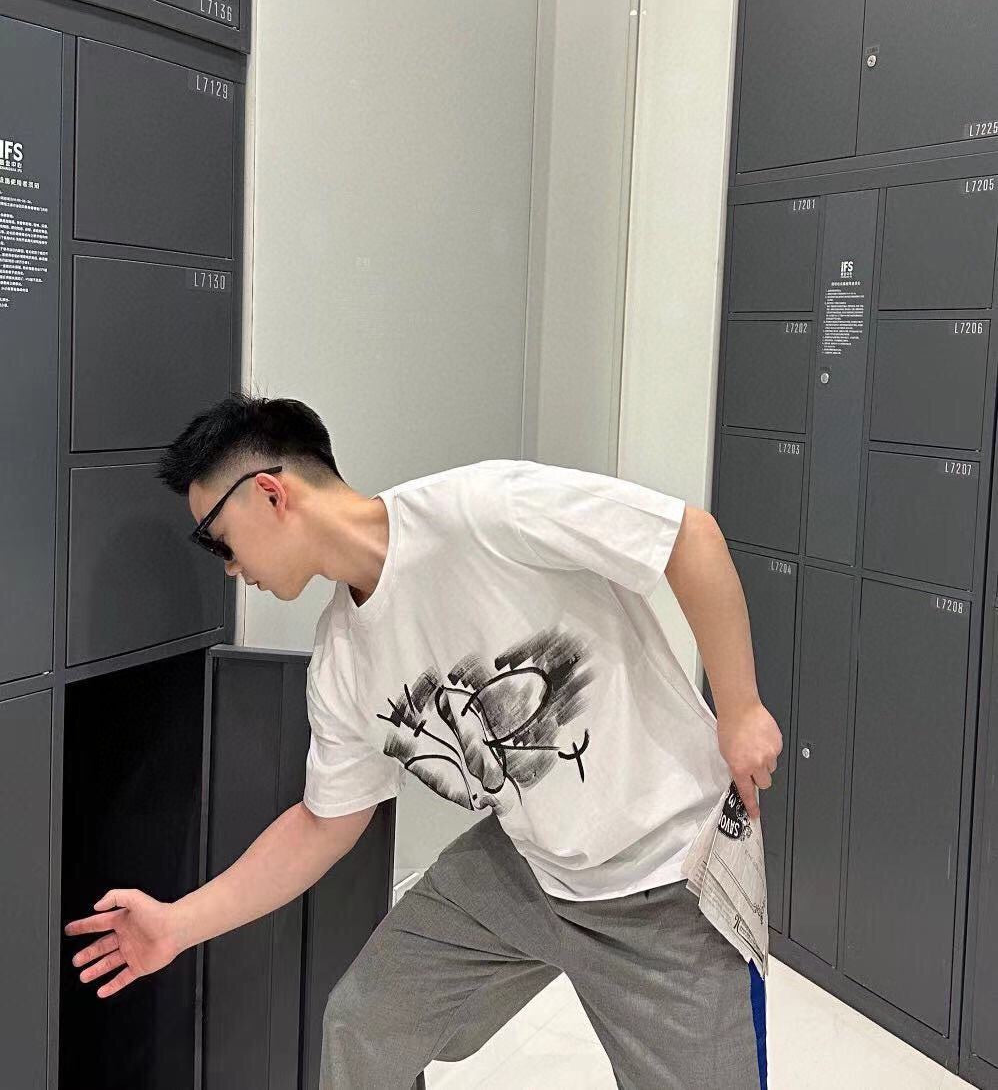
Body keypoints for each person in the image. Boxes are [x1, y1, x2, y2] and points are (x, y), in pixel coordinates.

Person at [64, 393, 782, 1088]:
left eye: (217, 538)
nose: (227, 566)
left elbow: (686, 536)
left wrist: (741, 707)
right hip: (532, 869)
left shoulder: (482, 510)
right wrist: (177, 924)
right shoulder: (342, 660)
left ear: (271, 494)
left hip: (669, 872)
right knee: (363, 1024)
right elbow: (322, 823)